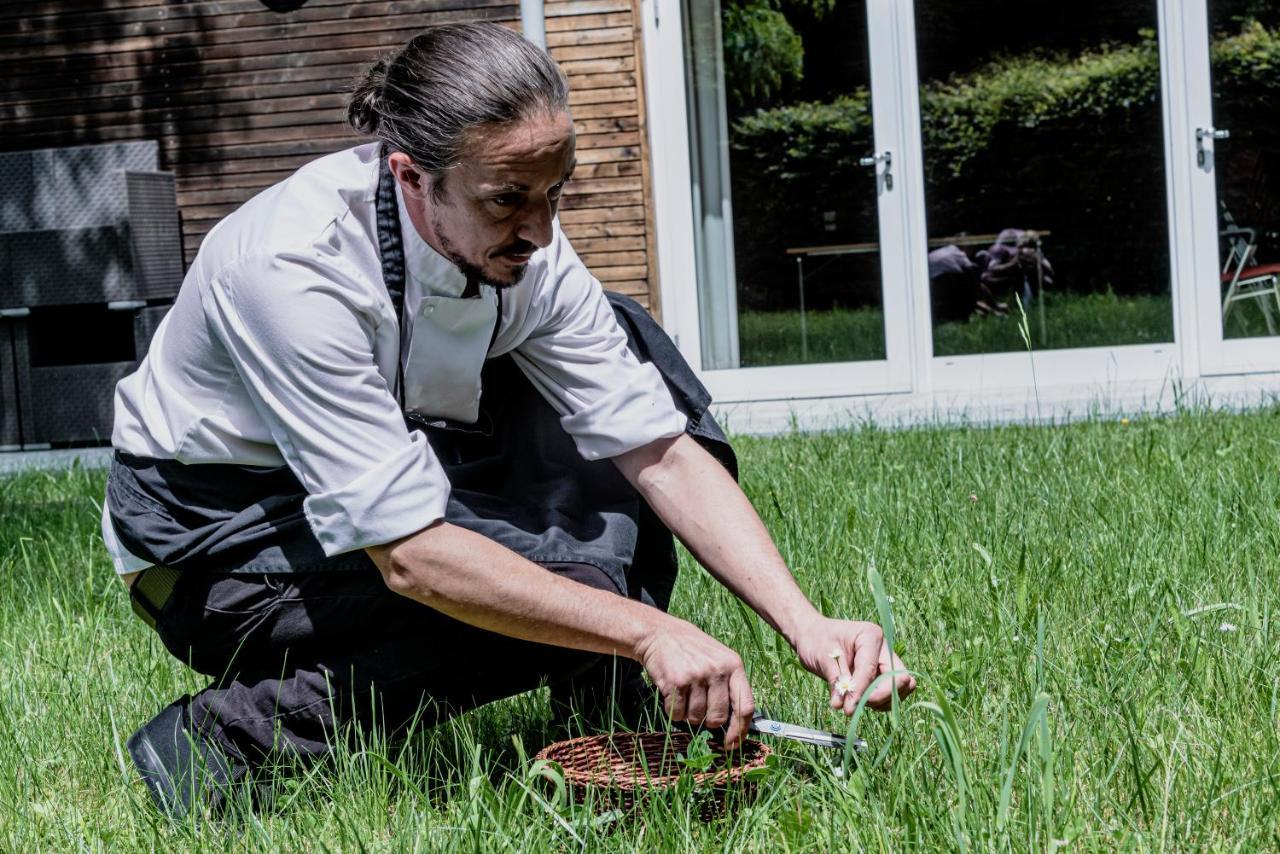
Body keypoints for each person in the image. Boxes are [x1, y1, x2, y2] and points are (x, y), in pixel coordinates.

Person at [105, 23, 915, 818]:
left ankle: (602, 710)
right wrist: (643, 630)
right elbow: (416, 558)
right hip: (214, 545)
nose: (541, 230)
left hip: (382, 465)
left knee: (622, 370)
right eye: (508, 200)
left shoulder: (524, 244)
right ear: (411, 176)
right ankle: (225, 743)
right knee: (520, 598)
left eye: (555, 191)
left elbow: (655, 450)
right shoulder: (291, 270)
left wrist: (805, 622)